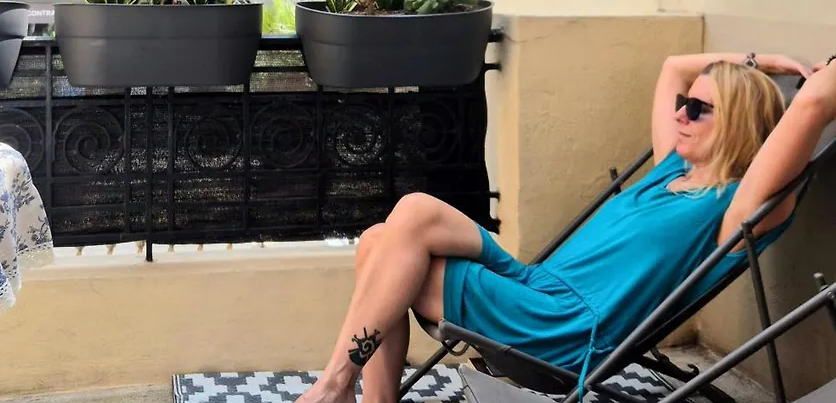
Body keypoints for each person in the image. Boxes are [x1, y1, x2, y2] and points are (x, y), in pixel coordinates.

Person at [295, 53, 836, 403]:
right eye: (683, 105)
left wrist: (808, 77)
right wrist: (757, 61)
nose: (680, 115)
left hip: (564, 331)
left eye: (698, 109)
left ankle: (336, 384)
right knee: (394, 226)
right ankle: (345, 387)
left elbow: (813, 103)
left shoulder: (737, 208)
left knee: (385, 246)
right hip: (535, 287)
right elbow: (672, 66)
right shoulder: (672, 168)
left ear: (737, 122)